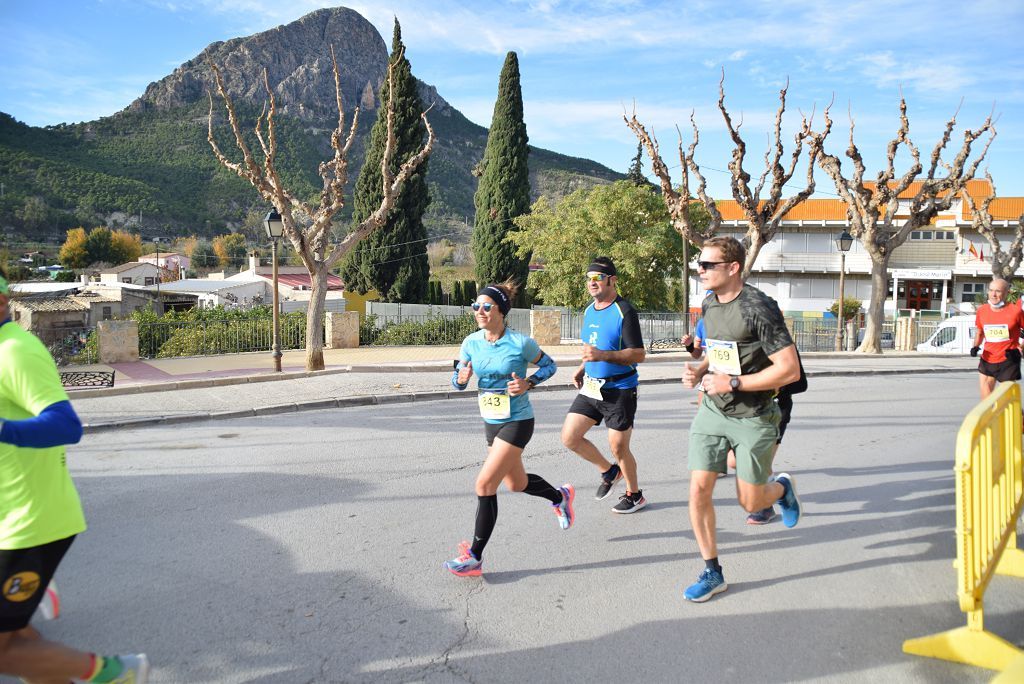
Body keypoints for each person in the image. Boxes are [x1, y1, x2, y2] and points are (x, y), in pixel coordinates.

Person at [0, 275, 150, 683]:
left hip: (30, 525)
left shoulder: (15, 352)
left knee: (4, 650)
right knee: (14, 638)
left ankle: (114, 674)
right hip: (9, 522)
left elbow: (66, 426)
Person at [681, 237, 803, 602]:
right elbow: (719, 351)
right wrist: (700, 369)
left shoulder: (759, 307)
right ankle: (712, 571)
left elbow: (790, 370)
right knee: (698, 488)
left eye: (707, 266)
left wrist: (732, 381)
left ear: (733, 268)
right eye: (699, 266)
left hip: (755, 416)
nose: (700, 271)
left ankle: (781, 489)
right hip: (713, 410)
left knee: (750, 503)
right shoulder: (708, 303)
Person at [444, 281, 570, 577]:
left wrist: (529, 383)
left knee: (484, 484)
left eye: (487, 306)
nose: (480, 311)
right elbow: (457, 380)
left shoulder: (520, 343)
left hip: (518, 420)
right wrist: (461, 379)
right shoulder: (470, 343)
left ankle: (474, 556)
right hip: (491, 421)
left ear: (501, 311)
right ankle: (559, 497)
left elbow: (550, 366)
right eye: (476, 306)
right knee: (516, 483)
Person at [561, 257, 648, 513]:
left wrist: (602, 356)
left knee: (619, 447)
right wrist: (582, 367)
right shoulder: (589, 310)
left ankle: (635, 495)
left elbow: (638, 354)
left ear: (613, 280)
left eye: (597, 277)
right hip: (591, 386)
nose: (592, 282)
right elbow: (592, 347)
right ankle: (609, 471)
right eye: (588, 278)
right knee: (570, 437)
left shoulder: (625, 311)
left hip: (620, 389)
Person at [970, 278, 1024, 399]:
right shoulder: (982, 310)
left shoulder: (1015, 311)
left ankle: (1019, 417)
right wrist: (975, 346)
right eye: (991, 290)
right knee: (986, 399)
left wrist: (1020, 348)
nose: (993, 295)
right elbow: (980, 331)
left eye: (998, 291)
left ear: (1006, 293)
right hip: (988, 358)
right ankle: (992, 417)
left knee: (1007, 398)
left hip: (1008, 359)